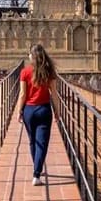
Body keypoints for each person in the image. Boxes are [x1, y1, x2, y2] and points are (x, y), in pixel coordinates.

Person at [16, 43, 61, 186]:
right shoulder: (49, 71)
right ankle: (36, 173)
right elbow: (54, 93)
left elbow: (22, 94)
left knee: (32, 141)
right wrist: (57, 112)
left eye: (29, 53)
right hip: (44, 110)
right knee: (42, 142)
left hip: (29, 110)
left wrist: (19, 111)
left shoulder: (25, 72)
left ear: (33, 56)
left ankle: (37, 166)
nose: (28, 56)